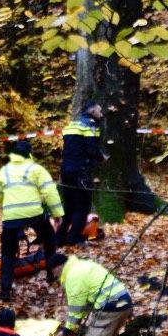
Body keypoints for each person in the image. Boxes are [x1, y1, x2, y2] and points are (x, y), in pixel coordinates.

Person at [0, 138, 63, 301]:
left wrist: (6, 215)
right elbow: (50, 192)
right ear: (29, 154)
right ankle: (51, 274)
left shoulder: (4, 171)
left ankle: (5, 290)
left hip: (11, 217)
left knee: (8, 252)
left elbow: (0, 195)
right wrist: (57, 214)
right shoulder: (36, 169)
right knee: (49, 240)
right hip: (34, 213)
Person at [56, 101, 105, 246]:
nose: (101, 114)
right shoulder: (90, 126)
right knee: (82, 206)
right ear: (92, 111)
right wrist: (102, 158)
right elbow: (92, 150)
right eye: (99, 110)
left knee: (69, 206)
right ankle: (74, 238)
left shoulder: (71, 126)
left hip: (66, 170)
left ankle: (60, 238)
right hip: (81, 171)